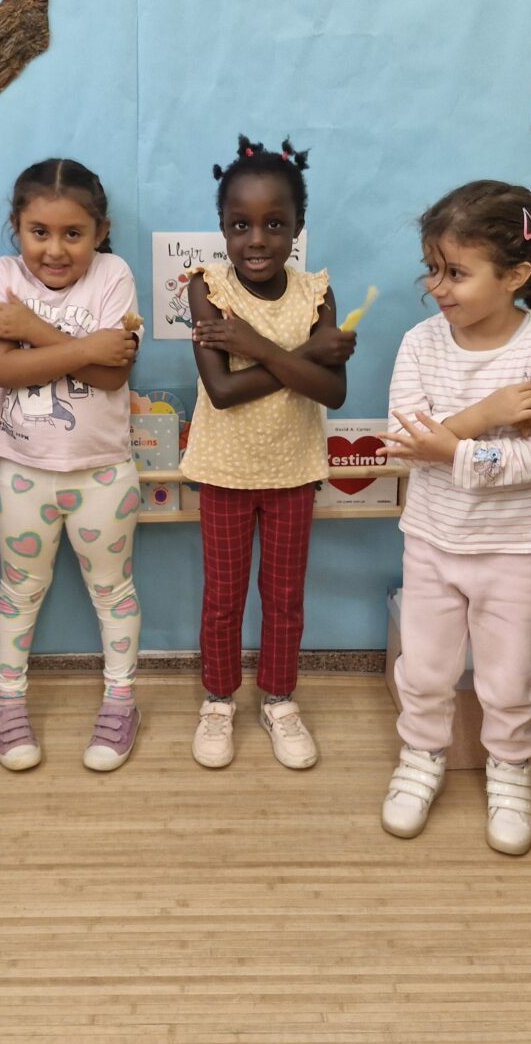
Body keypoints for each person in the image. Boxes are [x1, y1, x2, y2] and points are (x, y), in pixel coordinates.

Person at [377, 181, 531, 856]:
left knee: (508, 678)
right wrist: (486, 419)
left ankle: (510, 768)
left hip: (519, 549)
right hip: (433, 540)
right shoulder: (420, 344)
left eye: (457, 273)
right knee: (426, 669)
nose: (438, 286)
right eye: (432, 269)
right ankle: (423, 756)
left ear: (516, 275)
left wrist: (454, 450)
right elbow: (405, 443)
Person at [181, 136, 355, 770]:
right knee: (223, 597)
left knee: (284, 597)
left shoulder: (317, 294)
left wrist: (259, 344)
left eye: (274, 224)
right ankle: (219, 701)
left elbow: (333, 390)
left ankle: (279, 699)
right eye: (240, 225)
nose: (257, 239)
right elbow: (223, 392)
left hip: (292, 472)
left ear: (298, 228)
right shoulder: (207, 290)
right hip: (224, 473)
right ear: (222, 230)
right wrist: (305, 356)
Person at [0, 159, 143, 771]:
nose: (54, 248)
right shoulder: (1, 275)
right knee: (19, 590)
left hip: (104, 471)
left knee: (112, 590)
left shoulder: (114, 274)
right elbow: (3, 370)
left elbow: (113, 372)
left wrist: (34, 330)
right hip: (21, 470)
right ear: (16, 228)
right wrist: (81, 346)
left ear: (100, 231)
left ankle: (122, 698)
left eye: (73, 233)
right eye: (38, 231)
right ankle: (9, 699)